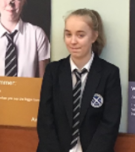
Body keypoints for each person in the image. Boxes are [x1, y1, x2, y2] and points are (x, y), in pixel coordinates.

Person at [37, 9, 121, 152]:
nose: (73, 41)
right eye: (68, 34)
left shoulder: (109, 74)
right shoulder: (53, 71)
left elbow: (109, 124)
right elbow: (45, 121)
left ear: (94, 36)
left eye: (80, 35)